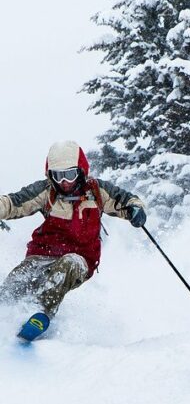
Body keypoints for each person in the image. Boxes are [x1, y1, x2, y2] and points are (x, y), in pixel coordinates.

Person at [0, 140, 146, 340]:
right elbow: (13, 203)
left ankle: (39, 312)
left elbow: (125, 199)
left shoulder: (96, 191)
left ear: (81, 171)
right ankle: (4, 308)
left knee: (68, 264)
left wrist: (134, 209)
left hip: (81, 258)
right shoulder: (47, 191)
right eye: (58, 176)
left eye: (69, 174)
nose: (64, 182)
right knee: (23, 275)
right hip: (43, 253)